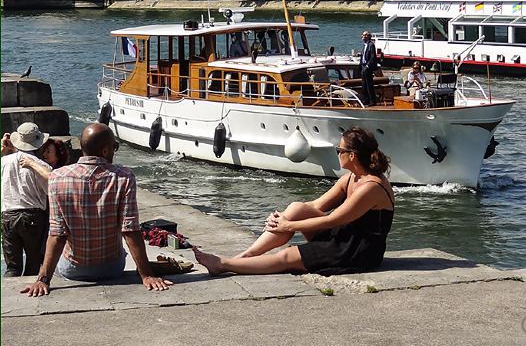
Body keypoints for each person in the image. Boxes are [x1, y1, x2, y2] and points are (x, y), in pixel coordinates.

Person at [194, 127, 394, 276]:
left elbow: (333, 220)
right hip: (344, 237)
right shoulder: (350, 178)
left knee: (288, 256)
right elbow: (315, 207)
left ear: (352, 155)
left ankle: (222, 264)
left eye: (338, 150)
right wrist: (282, 218)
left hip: (358, 250)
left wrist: (288, 225)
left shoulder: (371, 187)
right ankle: (247, 255)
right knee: (298, 207)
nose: (337, 153)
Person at [21, 123, 172, 296]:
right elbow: (130, 230)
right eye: (114, 147)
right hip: (111, 268)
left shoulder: (57, 178)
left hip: (72, 270)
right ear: (106, 151)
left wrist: (43, 279)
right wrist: (146, 275)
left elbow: (57, 234)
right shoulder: (124, 177)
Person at [1, 123, 52, 276]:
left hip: (8, 216)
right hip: (33, 217)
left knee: (12, 267)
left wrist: (3, 150)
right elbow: (52, 188)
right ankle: (31, 294)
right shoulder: (42, 166)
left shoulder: (4, 162)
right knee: (34, 264)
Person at [360, 31, 378, 106]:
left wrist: (368, 66)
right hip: (363, 66)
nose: (362, 37)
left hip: (368, 67)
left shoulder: (371, 45)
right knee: (364, 84)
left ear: (368, 36)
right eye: (362, 35)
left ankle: (372, 101)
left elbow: (373, 57)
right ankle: (365, 100)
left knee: (369, 84)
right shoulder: (365, 45)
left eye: (364, 35)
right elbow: (364, 55)